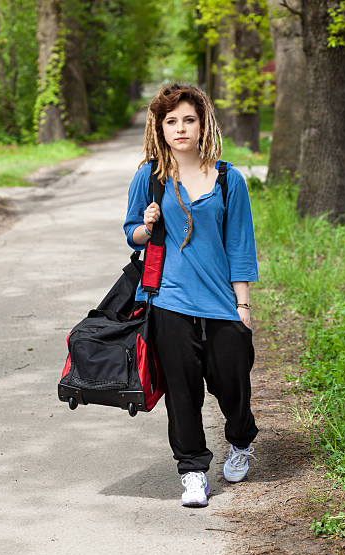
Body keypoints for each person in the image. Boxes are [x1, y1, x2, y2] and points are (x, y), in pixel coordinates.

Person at [123, 84, 259, 507]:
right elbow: (133, 235)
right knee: (182, 392)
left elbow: (240, 245)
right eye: (171, 121)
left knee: (232, 381)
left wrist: (243, 305)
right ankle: (194, 471)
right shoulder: (150, 177)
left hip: (221, 304)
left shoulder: (227, 178)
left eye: (188, 120)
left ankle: (240, 440)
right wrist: (147, 224)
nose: (180, 128)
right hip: (168, 302)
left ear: (202, 125)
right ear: (160, 128)